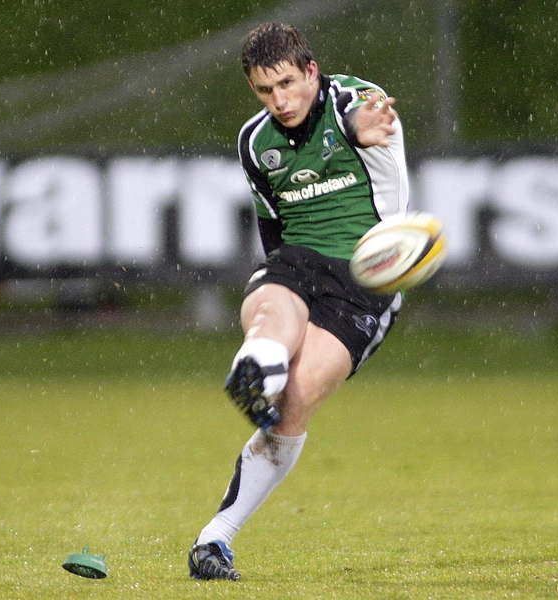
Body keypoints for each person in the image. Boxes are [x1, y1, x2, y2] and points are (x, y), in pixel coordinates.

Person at [188, 21, 409, 581]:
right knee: (271, 312)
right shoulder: (254, 142)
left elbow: (360, 117)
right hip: (297, 258)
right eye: (265, 90)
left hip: (365, 276)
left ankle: (218, 527)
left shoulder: (357, 100)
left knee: (298, 397)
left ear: (312, 70)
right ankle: (255, 368)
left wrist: (359, 128)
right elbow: (272, 225)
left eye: (287, 83)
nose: (280, 101)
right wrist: (275, 277)